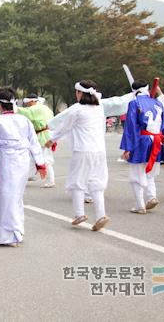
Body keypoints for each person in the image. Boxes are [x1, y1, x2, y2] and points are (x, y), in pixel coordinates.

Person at [46, 81, 119, 231]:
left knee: (77, 182)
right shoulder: (99, 109)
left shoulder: (77, 110)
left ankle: (79, 214)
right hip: (99, 151)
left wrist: (51, 140)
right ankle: (100, 215)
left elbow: (63, 128)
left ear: (80, 93)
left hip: (82, 150)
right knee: (96, 182)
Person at [0, 87, 46, 247]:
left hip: (6, 161)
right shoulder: (24, 120)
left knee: (7, 196)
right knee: (15, 196)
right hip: (22, 161)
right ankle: (13, 231)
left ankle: (10, 235)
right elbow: (34, 144)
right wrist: (40, 163)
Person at [121, 79, 164, 214]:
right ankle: (152, 196)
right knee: (149, 170)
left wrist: (128, 147)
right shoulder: (158, 103)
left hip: (141, 139)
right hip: (157, 139)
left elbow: (131, 127)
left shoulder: (134, 103)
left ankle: (140, 204)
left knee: (136, 172)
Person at [16, 94, 56, 188]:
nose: (28, 105)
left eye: (28, 103)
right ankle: (31, 175)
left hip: (43, 136)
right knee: (33, 156)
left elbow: (27, 112)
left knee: (45, 158)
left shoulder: (36, 108)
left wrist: (13, 107)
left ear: (33, 101)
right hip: (45, 134)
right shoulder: (45, 108)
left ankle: (51, 180)